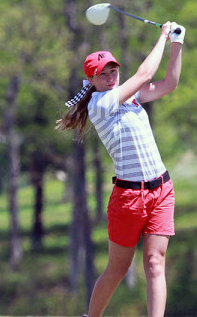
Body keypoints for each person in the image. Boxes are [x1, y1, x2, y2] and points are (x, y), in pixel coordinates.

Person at [57, 21, 185, 317]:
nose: (112, 76)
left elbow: (170, 84)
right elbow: (145, 74)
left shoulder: (132, 97)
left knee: (155, 262)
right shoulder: (100, 104)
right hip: (129, 199)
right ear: (92, 80)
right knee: (118, 268)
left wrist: (177, 45)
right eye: (104, 73)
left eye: (114, 69)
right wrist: (163, 36)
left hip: (161, 190)